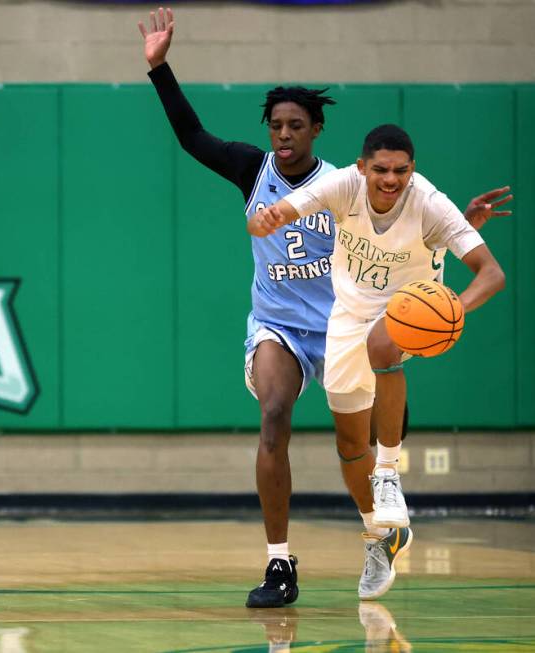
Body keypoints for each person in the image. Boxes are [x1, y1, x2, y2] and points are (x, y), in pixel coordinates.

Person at [138, 6, 513, 608]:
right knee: (273, 415)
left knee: (354, 449)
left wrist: (454, 226)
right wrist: (160, 69)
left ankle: (380, 531)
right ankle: (279, 565)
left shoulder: (349, 182)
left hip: (346, 322)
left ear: (316, 131)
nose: (283, 135)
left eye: (295, 126)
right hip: (280, 325)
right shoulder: (251, 169)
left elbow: (398, 235)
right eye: (275, 125)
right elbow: (191, 137)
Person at [248, 123, 506, 601]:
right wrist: (266, 220)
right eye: (381, 170)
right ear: (362, 167)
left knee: (385, 345)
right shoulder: (343, 185)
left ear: (413, 170)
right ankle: (382, 536)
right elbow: (282, 210)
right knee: (348, 448)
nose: (391, 179)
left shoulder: (430, 203)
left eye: (402, 171)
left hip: (409, 310)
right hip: (346, 317)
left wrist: (454, 308)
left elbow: (492, 274)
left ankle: (389, 472)